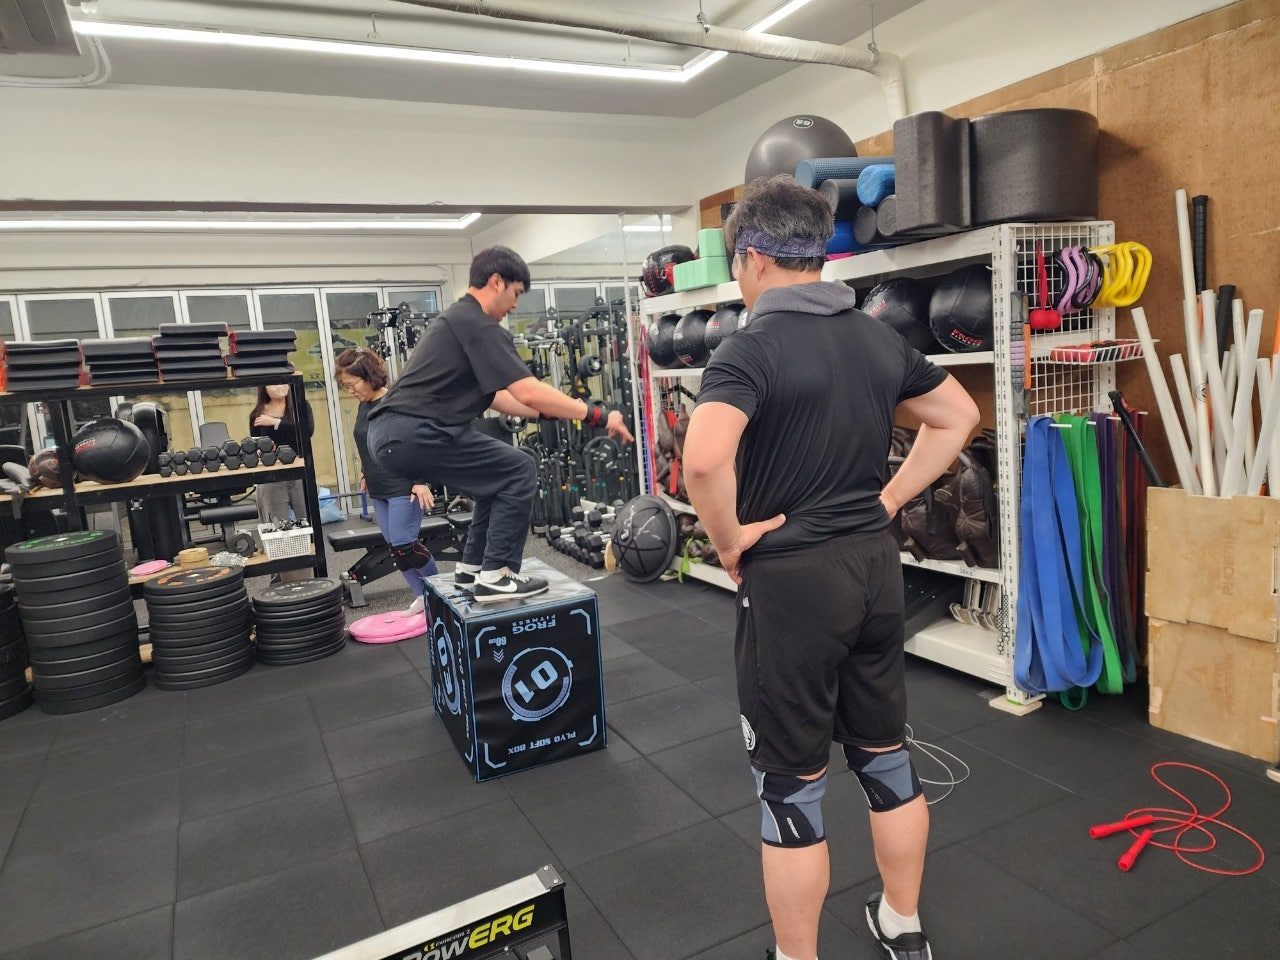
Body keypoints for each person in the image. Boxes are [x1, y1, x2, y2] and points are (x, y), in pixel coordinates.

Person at [682, 174, 980, 960]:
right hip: (875, 572)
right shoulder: (876, 337)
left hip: (794, 586)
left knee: (791, 785)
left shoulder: (749, 348)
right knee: (886, 757)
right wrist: (888, 500)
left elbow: (703, 461)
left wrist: (728, 540)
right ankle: (903, 927)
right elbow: (959, 416)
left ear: (752, 259)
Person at [366, 245, 633, 603]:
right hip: (414, 431)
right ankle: (497, 574)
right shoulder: (478, 323)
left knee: (498, 479)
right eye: (516, 293)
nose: (515, 305)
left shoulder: (457, 320)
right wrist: (596, 415)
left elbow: (499, 397)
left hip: (390, 434)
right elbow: (528, 390)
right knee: (520, 468)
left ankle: (472, 569)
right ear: (496, 282)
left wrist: (548, 412)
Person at [335, 347, 440, 615]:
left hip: (403, 485)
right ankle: (422, 596)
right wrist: (364, 472)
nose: (350, 390)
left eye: (352, 384)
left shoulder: (397, 402)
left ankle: (441, 593)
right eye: (345, 386)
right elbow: (367, 440)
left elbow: (416, 442)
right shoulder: (364, 404)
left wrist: (420, 480)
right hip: (378, 486)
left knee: (406, 544)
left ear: (369, 376)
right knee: (396, 548)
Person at [249, 382, 315, 525]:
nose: (280, 387)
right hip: (273, 476)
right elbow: (255, 444)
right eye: (274, 384)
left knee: (308, 520)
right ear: (264, 387)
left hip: (299, 471)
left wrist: (275, 422)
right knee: (276, 524)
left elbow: (307, 431)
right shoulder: (257, 414)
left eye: (283, 382)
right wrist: (263, 449)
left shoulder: (300, 405)